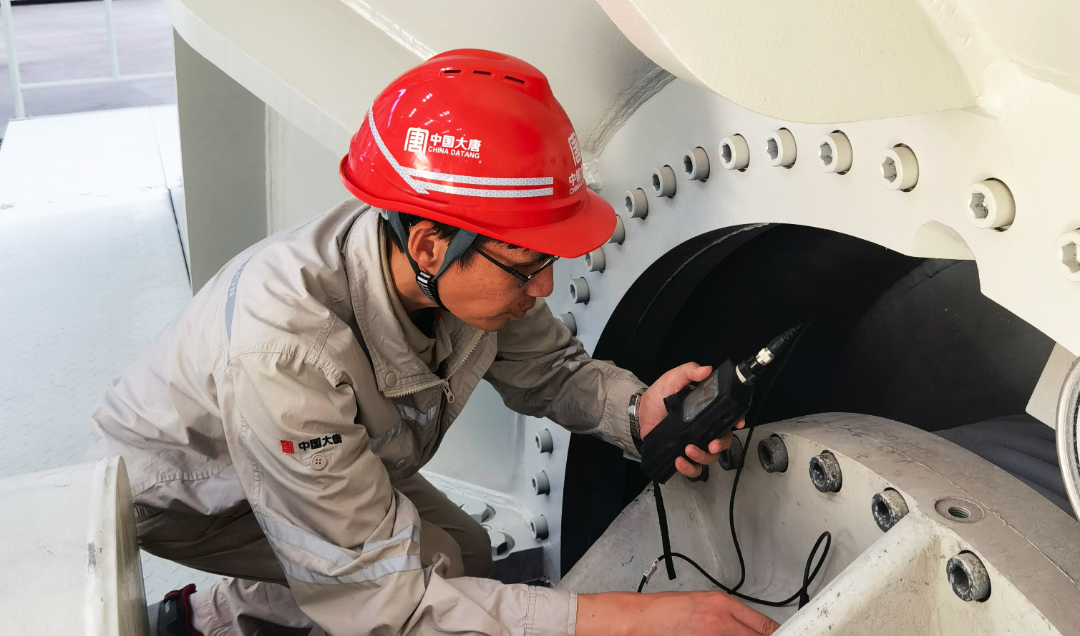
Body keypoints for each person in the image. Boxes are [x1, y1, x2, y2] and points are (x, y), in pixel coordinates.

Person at [91, 49, 779, 636]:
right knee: (417, 580)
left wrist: (639, 412)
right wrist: (626, 619)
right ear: (428, 246)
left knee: (467, 550)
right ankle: (207, 625)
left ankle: (209, 618)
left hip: (327, 445)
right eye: (528, 265)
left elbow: (553, 371)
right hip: (202, 490)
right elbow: (386, 604)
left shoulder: (456, 258)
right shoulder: (289, 356)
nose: (544, 287)